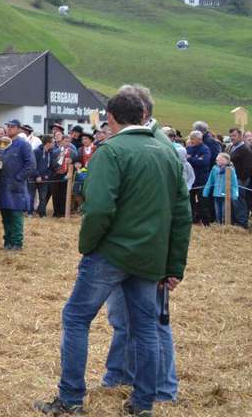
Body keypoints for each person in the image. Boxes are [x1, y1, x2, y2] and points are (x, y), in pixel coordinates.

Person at [34, 91, 191, 417]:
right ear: (143, 113)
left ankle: (71, 399)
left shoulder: (113, 151)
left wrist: (88, 246)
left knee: (76, 318)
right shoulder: (167, 151)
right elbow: (182, 214)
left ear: (111, 117)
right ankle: (143, 403)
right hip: (150, 258)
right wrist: (174, 265)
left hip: (111, 253)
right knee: (145, 328)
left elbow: (100, 208)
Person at [0, 119, 34, 250]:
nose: (9, 129)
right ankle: (7, 241)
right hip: (2, 184)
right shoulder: (2, 143)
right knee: (5, 214)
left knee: (16, 214)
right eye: (8, 126)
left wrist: (19, 177)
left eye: (12, 127)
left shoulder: (23, 145)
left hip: (16, 185)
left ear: (18, 129)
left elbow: (30, 164)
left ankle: (17, 243)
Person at [202, 152, 239, 225]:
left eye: (218, 160)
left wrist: (235, 194)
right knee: (218, 211)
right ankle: (219, 225)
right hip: (216, 193)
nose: (216, 161)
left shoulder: (230, 169)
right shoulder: (214, 168)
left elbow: (234, 183)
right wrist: (206, 191)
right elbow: (210, 181)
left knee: (225, 211)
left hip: (226, 194)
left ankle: (225, 225)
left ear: (224, 160)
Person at [185, 131, 212, 225]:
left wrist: (190, 158)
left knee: (203, 202)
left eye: (193, 139)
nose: (191, 141)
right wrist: (196, 158)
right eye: (190, 138)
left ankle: (206, 222)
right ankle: (191, 220)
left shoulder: (205, 149)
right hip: (190, 180)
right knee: (190, 201)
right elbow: (184, 160)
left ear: (200, 140)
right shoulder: (188, 148)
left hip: (201, 179)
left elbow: (204, 162)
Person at [231, 131, 252, 228]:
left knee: (240, 200)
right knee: (235, 200)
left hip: (240, 179)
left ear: (240, 136)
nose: (232, 137)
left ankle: (242, 223)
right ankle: (236, 220)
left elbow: (248, 166)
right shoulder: (233, 147)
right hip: (233, 178)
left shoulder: (245, 149)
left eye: (234, 135)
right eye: (231, 135)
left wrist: (242, 179)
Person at [32, 136, 55, 217]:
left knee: (43, 197)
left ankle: (42, 214)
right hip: (33, 177)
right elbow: (33, 165)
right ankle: (29, 212)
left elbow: (51, 167)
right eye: (52, 142)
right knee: (31, 195)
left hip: (44, 178)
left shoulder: (51, 153)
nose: (53, 144)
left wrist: (46, 176)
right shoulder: (36, 151)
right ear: (48, 143)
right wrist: (37, 175)